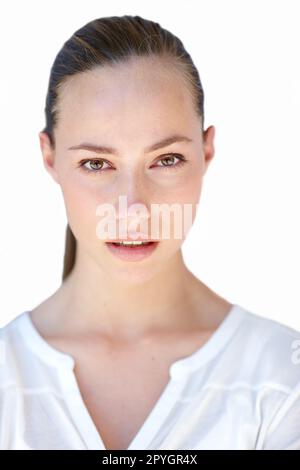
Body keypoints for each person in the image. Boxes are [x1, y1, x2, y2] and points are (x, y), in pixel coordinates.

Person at [0, 15, 299, 451]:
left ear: (206, 150)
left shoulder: (282, 378)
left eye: (166, 159)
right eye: (97, 164)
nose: (134, 209)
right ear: (49, 158)